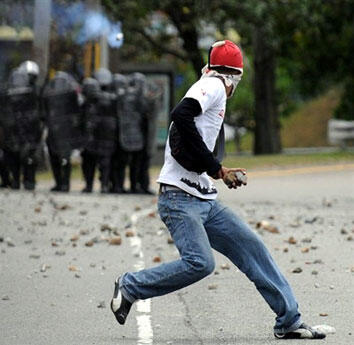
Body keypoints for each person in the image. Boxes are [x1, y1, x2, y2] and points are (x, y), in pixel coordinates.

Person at [111, 40, 326, 340]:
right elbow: (181, 115)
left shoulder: (210, 87)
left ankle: (289, 320)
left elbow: (194, 131)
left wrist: (219, 172)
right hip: (179, 199)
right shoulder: (213, 84)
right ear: (235, 76)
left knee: (253, 248)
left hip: (204, 198)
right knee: (200, 263)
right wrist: (214, 167)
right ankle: (130, 286)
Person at [0, 61, 42, 190]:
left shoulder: (35, 90)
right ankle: (17, 180)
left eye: (32, 76)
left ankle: (29, 180)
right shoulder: (8, 89)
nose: (30, 79)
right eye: (29, 76)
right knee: (13, 154)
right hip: (16, 127)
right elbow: (2, 107)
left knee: (30, 154)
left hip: (29, 127)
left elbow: (40, 107)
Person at [42, 71, 83, 192]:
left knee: (57, 157)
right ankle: (63, 183)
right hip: (64, 131)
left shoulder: (49, 92)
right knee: (63, 158)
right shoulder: (70, 93)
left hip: (56, 131)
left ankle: (61, 183)